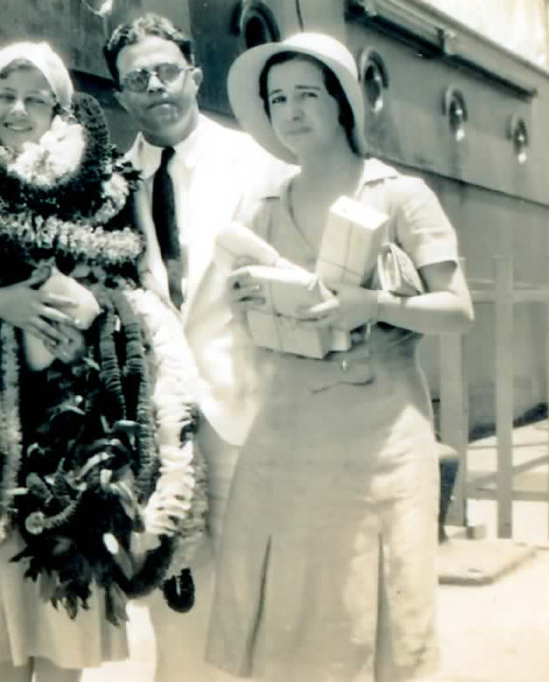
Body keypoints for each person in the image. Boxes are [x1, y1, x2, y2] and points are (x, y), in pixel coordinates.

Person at [0, 42, 206, 682]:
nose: (18, 110)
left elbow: (138, 289)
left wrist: (89, 305)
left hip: (78, 432)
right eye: (5, 95)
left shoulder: (104, 184)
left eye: (35, 98)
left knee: (65, 620)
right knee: (5, 621)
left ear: (59, 107)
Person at [205, 33, 474, 681]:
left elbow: (458, 311)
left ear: (343, 102)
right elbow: (246, 325)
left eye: (307, 94)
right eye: (277, 99)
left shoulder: (401, 196)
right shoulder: (263, 207)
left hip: (377, 440)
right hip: (287, 437)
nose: (292, 111)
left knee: (372, 616)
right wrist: (252, 298)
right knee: (287, 618)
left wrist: (374, 304)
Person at [103, 14, 281, 681]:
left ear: (194, 76)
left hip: (247, 416)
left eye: (166, 71)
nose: (155, 87)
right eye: (137, 80)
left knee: (260, 605)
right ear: (121, 96)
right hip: (157, 431)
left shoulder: (257, 164)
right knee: (179, 614)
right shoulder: (109, 182)